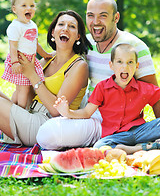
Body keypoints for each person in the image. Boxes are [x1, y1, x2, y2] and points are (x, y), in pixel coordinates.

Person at [0, 10, 100, 147]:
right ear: (53, 32)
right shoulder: (48, 59)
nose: (65, 28)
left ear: (78, 36)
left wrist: (32, 75)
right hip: (28, 112)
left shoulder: (79, 66)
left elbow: (56, 110)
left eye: (71, 26)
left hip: (45, 124)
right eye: (61, 24)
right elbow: (23, 85)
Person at [53, 44, 160, 154]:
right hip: (116, 136)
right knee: (99, 147)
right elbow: (86, 112)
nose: (125, 67)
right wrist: (67, 112)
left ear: (137, 66)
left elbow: (158, 96)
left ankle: (134, 148)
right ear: (111, 65)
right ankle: (141, 148)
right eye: (119, 62)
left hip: (140, 131)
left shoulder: (143, 88)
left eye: (130, 62)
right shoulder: (102, 88)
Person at [1, 0, 51, 109]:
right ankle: (21, 112)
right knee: (23, 90)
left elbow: (36, 44)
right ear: (14, 9)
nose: (29, 8)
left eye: (32, 5)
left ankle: (12, 110)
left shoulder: (32, 25)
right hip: (20, 61)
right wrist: (15, 62)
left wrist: (45, 55)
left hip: (30, 61)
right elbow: (12, 46)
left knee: (21, 89)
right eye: (24, 5)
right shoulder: (15, 26)